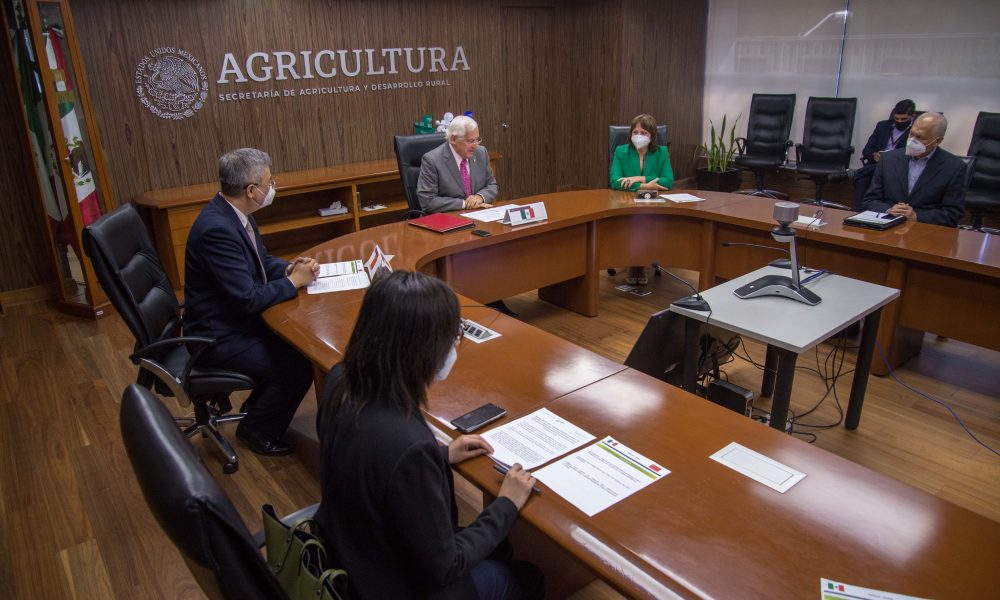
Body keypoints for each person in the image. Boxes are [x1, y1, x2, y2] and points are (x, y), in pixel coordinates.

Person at [316, 270, 543, 599]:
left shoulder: (341, 379)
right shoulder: (407, 442)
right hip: (390, 583)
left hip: (350, 550)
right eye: (453, 334)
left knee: (500, 547)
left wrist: (441, 455)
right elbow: (445, 566)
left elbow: (370, 462)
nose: (456, 343)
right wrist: (507, 502)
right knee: (527, 577)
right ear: (421, 348)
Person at [183, 148, 318, 456]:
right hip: (217, 336)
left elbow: (260, 262)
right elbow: (247, 299)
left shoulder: (235, 214)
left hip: (232, 320)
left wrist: (288, 268)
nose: (273, 187)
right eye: (270, 182)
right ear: (251, 190)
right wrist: (293, 283)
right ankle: (256, 430)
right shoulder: (217, 230)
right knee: (297, 366)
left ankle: (260, 410)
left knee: (297, 348)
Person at [862, 112, 967, 227]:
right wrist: (889, 210)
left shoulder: (954, 167)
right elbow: (870, 200)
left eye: (920, 137)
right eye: (911, 134)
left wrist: (916, 216)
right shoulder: (888, 159)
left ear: (937, 141)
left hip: (925, 229)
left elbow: (953, 212)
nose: (912, 140)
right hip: (887, 224)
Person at [609, 113, 674, 285]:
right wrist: (647, 185)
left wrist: (638, 179)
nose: (639, 136)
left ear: (651, 135)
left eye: (644, 133)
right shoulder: (621, 151)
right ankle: (634, 263)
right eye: (635, 132)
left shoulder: (661, 152)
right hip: (626, 202)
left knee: (646, 220)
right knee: (635, 220)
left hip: (652, 203)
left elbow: (668, 181)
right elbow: (615, 181)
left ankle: (641, 262)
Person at [417, 115, 499, 213]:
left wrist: (479, 197)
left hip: (479, 214)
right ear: (453, 139)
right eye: (470, 141)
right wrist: (464, 204)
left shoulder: (481, 153)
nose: (475, 145)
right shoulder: (432, 160)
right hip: (449, 217)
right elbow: (427, 201)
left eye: (477, 140)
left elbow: (492, 185)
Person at [853, 99, 916, 210]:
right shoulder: (882, 126)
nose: (900, 121)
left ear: (912, 117)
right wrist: (874, 155)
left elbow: (912, 155)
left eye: (904, 119)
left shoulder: (915, 131)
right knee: (863, 181)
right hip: (877, 166)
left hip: (898, 170)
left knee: (866, 173)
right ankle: (859, 214)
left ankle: (856, 173)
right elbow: (866, 150)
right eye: (897, 118)